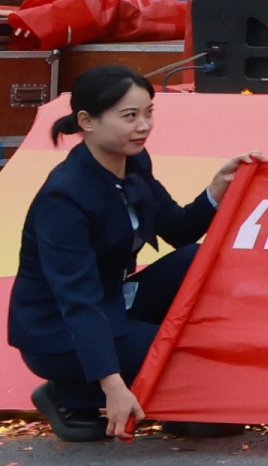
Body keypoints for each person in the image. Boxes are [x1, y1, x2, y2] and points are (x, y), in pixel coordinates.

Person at [13, 69, 248, 443]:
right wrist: (113, 387)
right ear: (87, 121)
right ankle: (77, 392)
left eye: (148, 112)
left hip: (111, 302)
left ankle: (116, 390)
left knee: (198, 259)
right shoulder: (65, 197)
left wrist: (217, 189)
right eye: (130, 116)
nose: (144, 126)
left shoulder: (134, 161)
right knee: (208, 398)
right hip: (59, 329)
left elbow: (178, 229)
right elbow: (78, 299)